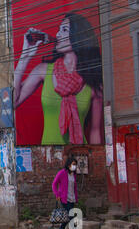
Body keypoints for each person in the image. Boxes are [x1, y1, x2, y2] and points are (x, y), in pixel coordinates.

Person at [14, 13, 103, 145]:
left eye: (64, 30)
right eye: (59, 30)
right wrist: (25, 57)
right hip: (48, 157)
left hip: (80, 156)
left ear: (79, 36)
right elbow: (12, 102)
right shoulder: (43, 70)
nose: (57, 35)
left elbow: (95, 131)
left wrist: (97, 162)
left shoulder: (93, 84)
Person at [52, 156, 82, 229]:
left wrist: (76, 197)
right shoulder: (62, 173)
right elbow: (54, 184)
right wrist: (57, 194)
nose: (75, 166)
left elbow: (74, 187)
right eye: (73, 164)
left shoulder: (73, 174)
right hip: (64, 198)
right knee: (71, 215)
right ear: (68, 165)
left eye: (75, 165)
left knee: (68, 216)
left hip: (72, 197)